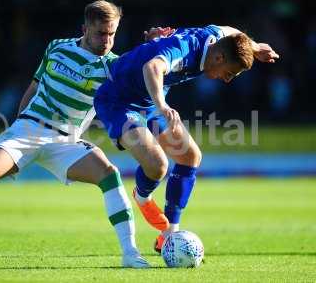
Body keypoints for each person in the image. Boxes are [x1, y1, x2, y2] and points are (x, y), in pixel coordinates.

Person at [0, 0, 173, 270]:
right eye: (101, 33)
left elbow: (145, 73)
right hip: (28, 128)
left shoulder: (114, 68)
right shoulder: (57, 47)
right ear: (85, 29)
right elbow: (34, 87)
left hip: (66, 140)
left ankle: (130, 254)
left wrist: (154, 47)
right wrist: (19, 124)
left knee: (110, 175)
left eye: (112, 34)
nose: (107, 40)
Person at [94, 25, 279, 252]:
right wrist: (162, 105)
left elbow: (230, 31)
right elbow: (151, 66)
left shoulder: (217, 41)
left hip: (149, 101)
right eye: (229, 73)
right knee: (158, 165)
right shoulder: (184, 49)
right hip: (119, 100)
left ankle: (169, 235)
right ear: (219, 57)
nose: (227, 80)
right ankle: (142, 197)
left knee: (190, 156)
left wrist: (255, 46)